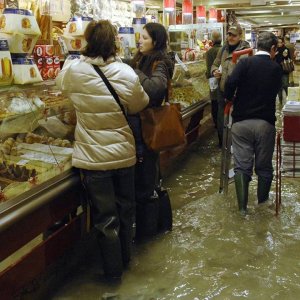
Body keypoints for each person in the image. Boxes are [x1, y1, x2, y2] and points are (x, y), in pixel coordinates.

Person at [56, 20, 149, 282]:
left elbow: (58, 85)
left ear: (87, 41)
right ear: (114, 42)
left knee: (105, 217)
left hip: (93, 159)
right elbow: (140, 104)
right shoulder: (126, 72)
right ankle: (126, 259)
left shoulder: (75, 70)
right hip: (123, 155)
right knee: (125, 209)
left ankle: (112, 273)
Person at [224, 31, 282, 214]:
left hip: (241, 123)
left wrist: (230, 98)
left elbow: (230, 84)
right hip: (265, 124)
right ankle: (261, 207)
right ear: (273, 49)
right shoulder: (275, 68)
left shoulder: (244, 63)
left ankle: (242, 210)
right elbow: (276, 92)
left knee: (242, 166)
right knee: (264, 168)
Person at [129, 22, 175, 239]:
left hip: (150, 127)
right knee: (147, 181)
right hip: (139, 129)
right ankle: (154, 226)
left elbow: (156, 90)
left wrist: (134, 71)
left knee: (147, 184)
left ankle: (147, 235)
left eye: (144, 37)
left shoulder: (160, 62)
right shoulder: (141, 59)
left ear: (155, 41)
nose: (140, 40)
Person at [211, 24, 250, 147]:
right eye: (228, 34)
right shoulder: (223, 49)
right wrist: (215, 71)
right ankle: (223, 144)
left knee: (238, 121)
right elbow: (215, 64)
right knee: (221, 119)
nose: (230, 37)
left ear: (240, 36)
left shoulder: (246, 51)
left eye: (233, 35)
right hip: (223, 91)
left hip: (239, 93)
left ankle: (236, 145)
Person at [205, 30, 222, 130]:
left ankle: (216, 125)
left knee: (215, 105)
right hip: (223, 83)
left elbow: (208, 70)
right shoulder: (224, 50)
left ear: (212, 40)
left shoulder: (209, 52)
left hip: (213, 83)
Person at [275, 36, 291, 104]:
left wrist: (285, 56)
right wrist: (274, 55)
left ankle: (288, 100)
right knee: (279, 87)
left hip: (284, 70)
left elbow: (289, 59)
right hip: (276, 71)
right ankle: (280, 101)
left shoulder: (286, 49)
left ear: (283, 42)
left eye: (280, 42)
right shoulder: (274, 50)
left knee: (285, 85)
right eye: (278, 42)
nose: (279, 44)